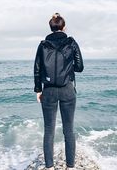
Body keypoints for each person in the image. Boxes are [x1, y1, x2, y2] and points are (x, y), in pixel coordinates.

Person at [34, 13, 84, 170]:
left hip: (48, 91)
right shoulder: (71, 43)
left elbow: (37, 69)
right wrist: (68, 68)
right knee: (68, 130)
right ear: (63, 27)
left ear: (51, 27)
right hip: (67, 89)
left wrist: (38, 90)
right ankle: (70, 167)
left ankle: (49, 167)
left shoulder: (43, 45)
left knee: (49, 130)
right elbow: (80, 67)